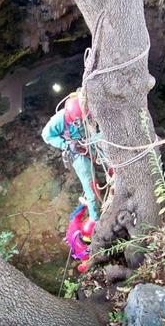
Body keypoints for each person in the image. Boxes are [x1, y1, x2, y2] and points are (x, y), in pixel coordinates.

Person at [41, 92, 98, 234]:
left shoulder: (88, 108)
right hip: (75, 149)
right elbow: (46, 135)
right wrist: (66, 144)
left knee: (110, 154)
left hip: (91, 139)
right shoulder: (60, 119)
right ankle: (95, 218)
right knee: (89, 182)